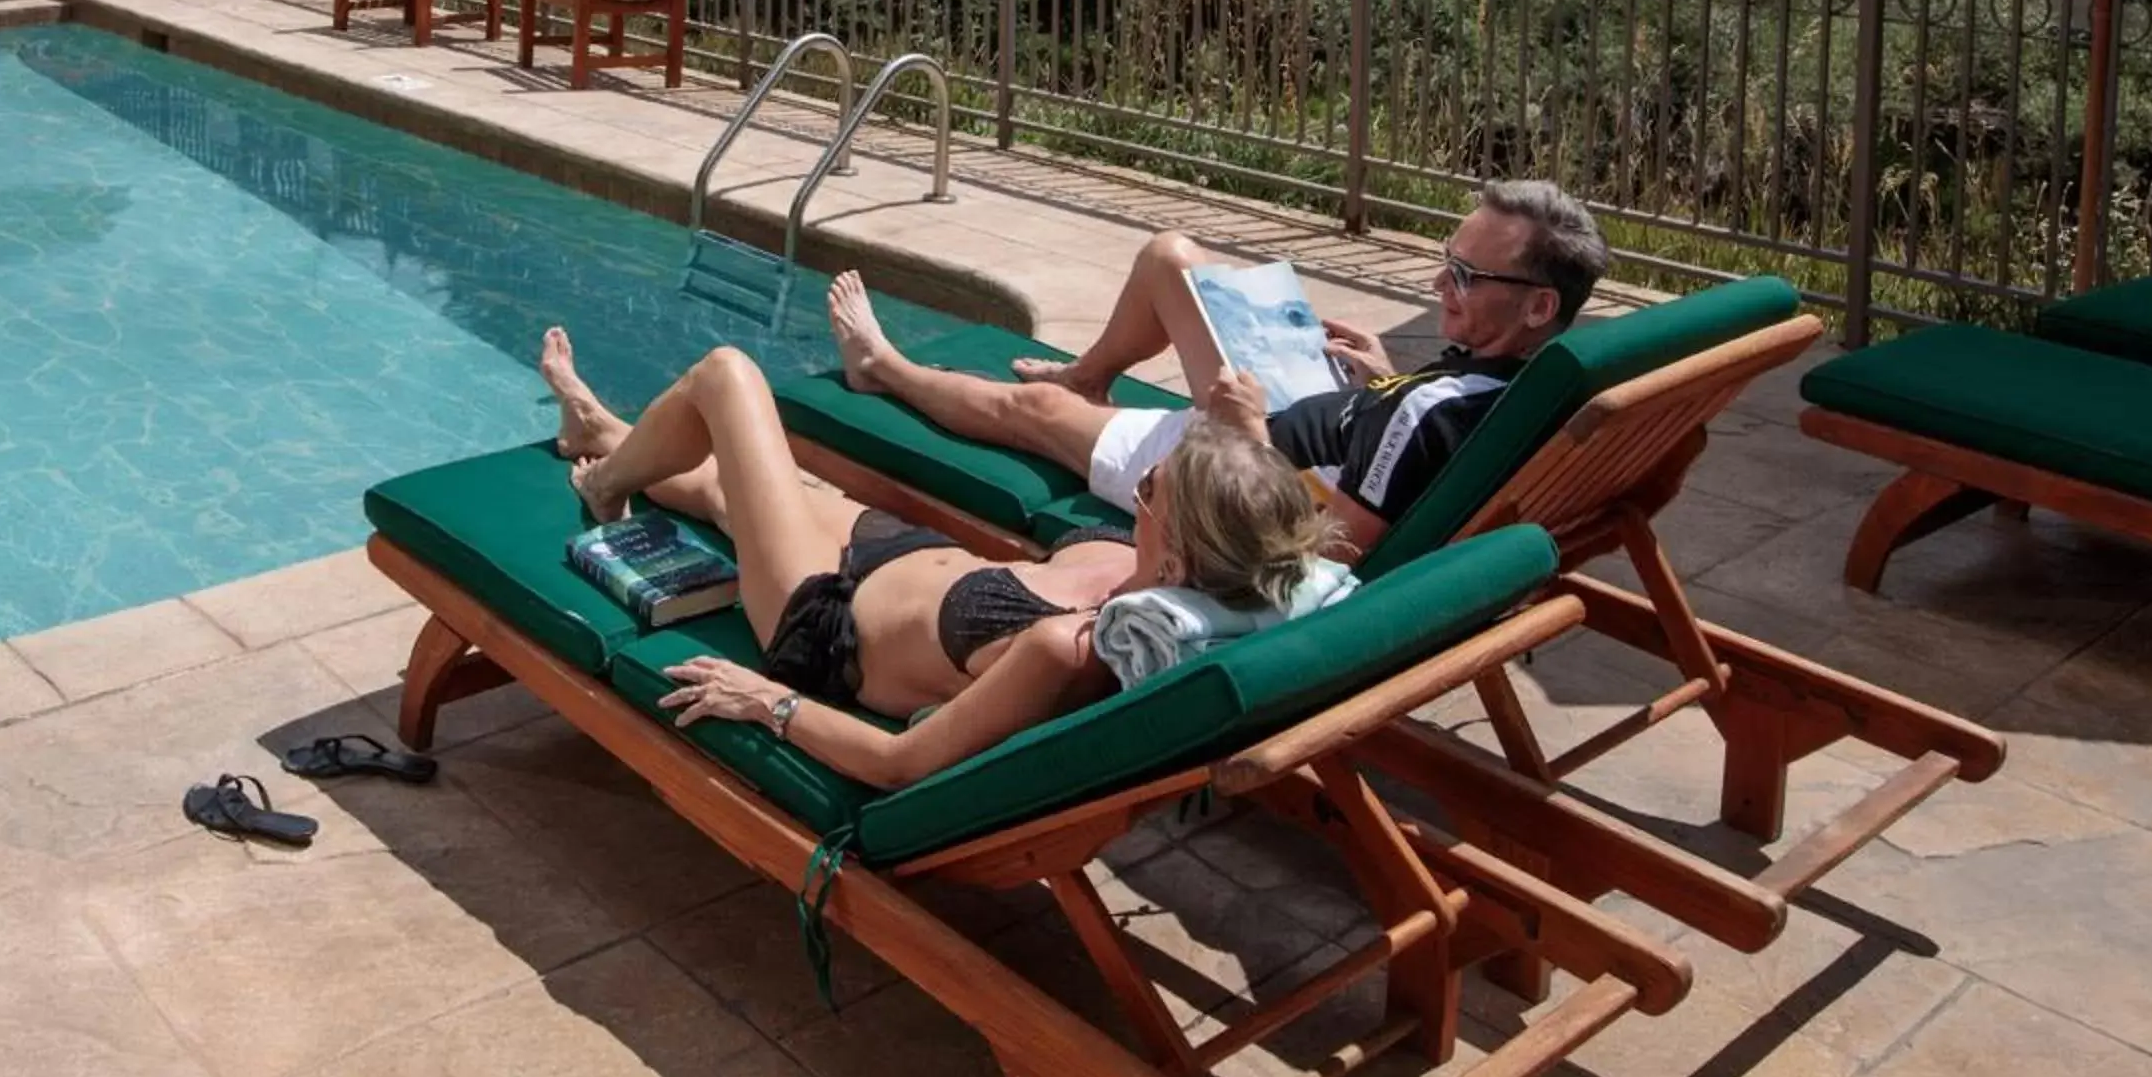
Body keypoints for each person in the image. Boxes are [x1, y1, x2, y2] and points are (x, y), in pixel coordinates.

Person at [542, 328, 1333, 788]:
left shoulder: (1069, 646)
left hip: (823, 622)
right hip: (900, 558)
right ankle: (603, 430)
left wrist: (767, 702)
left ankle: (607, 484)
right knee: (727, 489)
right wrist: (1248, 439)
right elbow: (1270, 531)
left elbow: (902, 763)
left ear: (1182, 556)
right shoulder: (1181, 570)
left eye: (1153, 486)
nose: (1142, 486)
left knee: (727, 376)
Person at [824, 179, 1612, 557]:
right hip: (1313, 418)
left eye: (1466, 278)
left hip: (1244, 466)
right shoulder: (1514, 382)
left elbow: (1340, 551)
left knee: (1027, 416)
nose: (1440, 285)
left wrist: (1245, 433)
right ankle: (1089, 377)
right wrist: (1378, 382)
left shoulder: (1432, 412)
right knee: (1175, 258)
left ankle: (882, 367)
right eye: (1448, 262)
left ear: (1540, 307)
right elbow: (1406, 442)